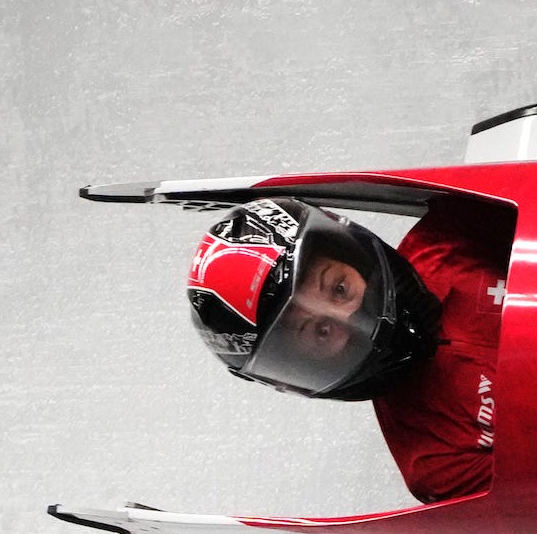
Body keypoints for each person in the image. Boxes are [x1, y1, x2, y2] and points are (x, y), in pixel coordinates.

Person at [185, 196, 501, 502]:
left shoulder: (450, 238)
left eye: (339, 288)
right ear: (305, 364)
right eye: (320, 331)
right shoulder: (437, 462)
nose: (350, 320)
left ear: (353, 256)